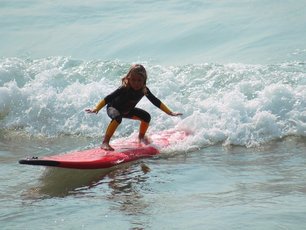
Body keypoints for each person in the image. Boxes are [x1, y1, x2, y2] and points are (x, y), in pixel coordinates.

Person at [85, 64, 182, 151]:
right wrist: (96, 108)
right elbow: (108, 98)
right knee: (117, 118)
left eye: (139, 80)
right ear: (128, 79)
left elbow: (155, 101)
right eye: (133, 80)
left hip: (127, 111)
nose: (136, 83)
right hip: (113, 108)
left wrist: (170, 112)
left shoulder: (144, 90)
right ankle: (105, 142)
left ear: (144, 80)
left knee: (146, 117)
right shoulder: (124, 88)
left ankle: (141, 137)